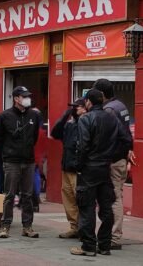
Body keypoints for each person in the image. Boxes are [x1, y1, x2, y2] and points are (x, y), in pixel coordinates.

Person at [70, 89, 131, 256]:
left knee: (87, 207)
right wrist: (112, 156)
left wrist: (80, 165)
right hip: (105, 167)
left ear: (89, 102)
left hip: (90, 168)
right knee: (106, 208)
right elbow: (126, 140)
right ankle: (104, 245)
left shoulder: (86, 119)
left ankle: (88, 246)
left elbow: (83, 146)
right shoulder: (112, 118)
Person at [0, 86, 40, 239]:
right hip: (11, 161)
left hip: (28, 160)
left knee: (27, 195)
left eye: (28, 96)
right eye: (24, 96)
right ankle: (5, 226)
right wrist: (4, 156)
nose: (27, 99)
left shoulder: (34, 115)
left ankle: (27, 227)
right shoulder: (4, 116)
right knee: (10, 195)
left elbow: (35, 137)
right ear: (16, 98)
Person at [93, 78, 134, 250]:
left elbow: (109, 136)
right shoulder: (121, 105)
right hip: (120, 158)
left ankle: (114, 238)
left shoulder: (109, 110)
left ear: (102, 94)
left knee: (114, 198)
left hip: (113, 160)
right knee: (116, 196)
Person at [51, 98, 87, 239]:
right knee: (68, 199)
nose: (74, 109)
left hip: (78, 168)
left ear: (85, 108)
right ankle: (74, 227)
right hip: (66, 166)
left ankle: (84, 229)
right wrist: (65, 115)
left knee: (80, 199)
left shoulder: (87, 123)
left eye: (76, 107)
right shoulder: (70, 125)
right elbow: (55, 133)